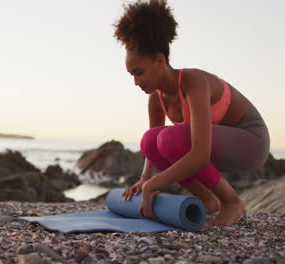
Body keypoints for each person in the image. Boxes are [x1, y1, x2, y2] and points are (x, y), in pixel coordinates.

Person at [116, 0, 270, 226]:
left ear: (160, 60)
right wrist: (144, 179)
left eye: (139, 73)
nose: (136, 81)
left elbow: (199, 154)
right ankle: (207, 200)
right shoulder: (156, 98)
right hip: (222, 145)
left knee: (170, 139)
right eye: (131, 75)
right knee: (150, 140)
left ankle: (231, 202)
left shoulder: (193, 81)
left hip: (251, 142)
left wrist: (153, 185)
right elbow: (152, 148)